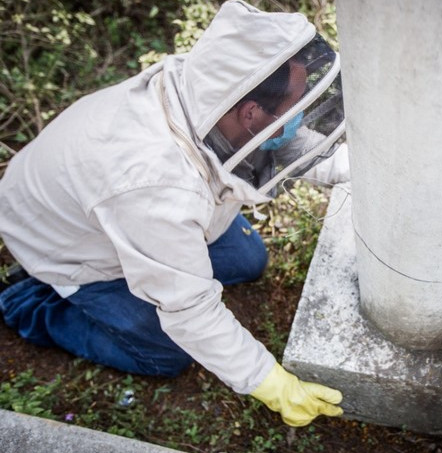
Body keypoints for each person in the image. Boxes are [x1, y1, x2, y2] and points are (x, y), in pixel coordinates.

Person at [0, 0, 348, 427]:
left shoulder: (214, 90)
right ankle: (33, 301)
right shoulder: (154, 191)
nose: (298, 119)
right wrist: (268, 380)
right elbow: (190, 312)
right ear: (252, 113)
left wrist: (360, 171)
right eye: (293, 110)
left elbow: (280, 140)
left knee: (248, 260)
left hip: (104, 206)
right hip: (66, 245)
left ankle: (141, 268)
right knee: (167, 352)